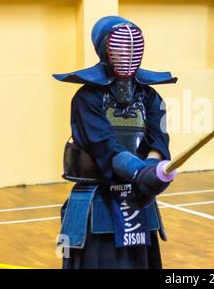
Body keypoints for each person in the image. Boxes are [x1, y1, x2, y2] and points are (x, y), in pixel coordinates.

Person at [53, 16, 177, 269]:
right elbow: (104, 147)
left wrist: (153, 169)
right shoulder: (86, 99)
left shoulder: (150, 97)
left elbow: (159, 140)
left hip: (137, 197)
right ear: (104, 49)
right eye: (120, 46)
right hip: (96, 197)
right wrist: (140, 171)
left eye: (133, 46)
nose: (128, 53)